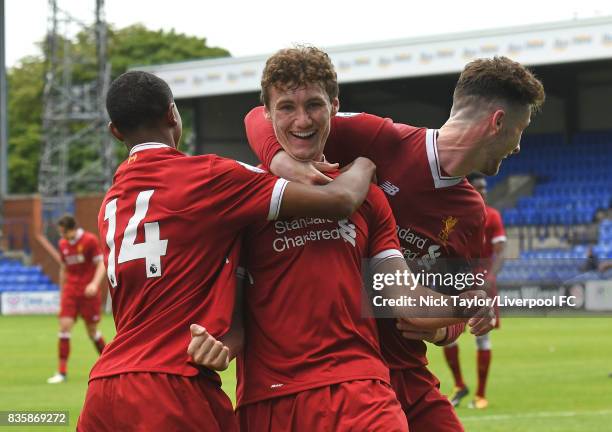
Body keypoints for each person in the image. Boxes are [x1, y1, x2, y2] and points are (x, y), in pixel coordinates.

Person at [188, 46, 494, 432]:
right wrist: (216, 348)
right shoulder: (245, 197)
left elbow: (402, 298)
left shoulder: (369, 196)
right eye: (285, 108)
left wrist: (463, 306)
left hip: (360, 394)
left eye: (314, 105)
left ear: (334, 106)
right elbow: (232, 324)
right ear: (267, 114)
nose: (302, 120)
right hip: (270, 401)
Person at [245, 54, 545, 431]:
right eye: (521, 130)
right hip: (333, 370)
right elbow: (261, 117)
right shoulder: (382, 139)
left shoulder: (470, 213)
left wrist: (441, 328)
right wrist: (282, 163)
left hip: (404, 371)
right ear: (498, 123)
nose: (518, 147)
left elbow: (448, 303)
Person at [76, 70, 378, 431]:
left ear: (115, 131)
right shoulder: (209, 177)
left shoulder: (113, 201)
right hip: (171, 383)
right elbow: (340, 199)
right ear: (174, 114)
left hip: (104, 387)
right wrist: (366, 163)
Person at [443, 173, 507, 409]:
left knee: (482, 336)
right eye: (479, 187)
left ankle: (481, 395)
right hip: (456, 278)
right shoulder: (456, 214)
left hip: (482, 281)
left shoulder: (492, 216)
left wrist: (491, 276)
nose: (484, 191)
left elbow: (500, 250)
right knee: (446, 332)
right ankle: (459, 385)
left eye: (486, 188)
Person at [47, 215, 106, 384]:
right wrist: (62, 293)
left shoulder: (89, 240)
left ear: (72, 229)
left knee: (92, 332)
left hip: (88, 293)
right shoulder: (63, 245)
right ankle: (62, 372)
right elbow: (63, 269)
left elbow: (101, 263)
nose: (62, 236)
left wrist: (95, 284)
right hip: (71, 292)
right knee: (64, 327)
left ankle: (109, 364)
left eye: (64, 232)